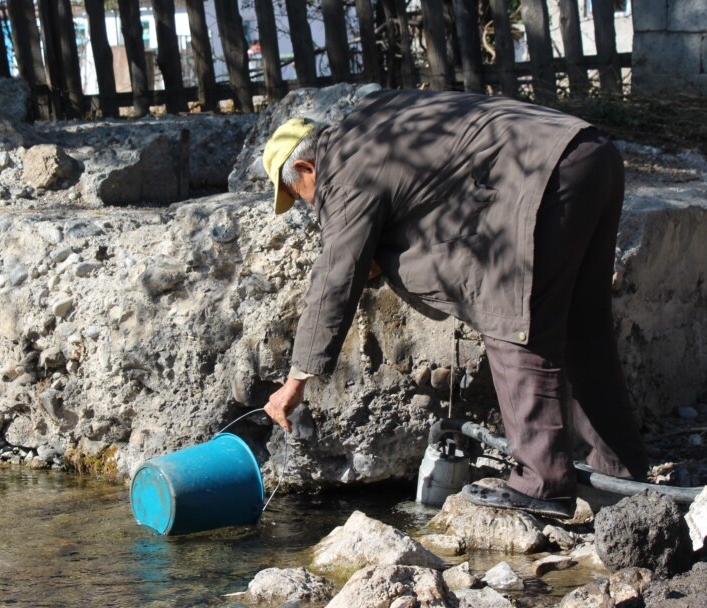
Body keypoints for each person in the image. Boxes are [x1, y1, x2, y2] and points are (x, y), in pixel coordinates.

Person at [260, 89, 648, 519]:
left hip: (542, 178)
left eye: (301, 196)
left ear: (305, 167)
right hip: (590, 153)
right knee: (583, 329)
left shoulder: (345, 169)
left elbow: (336, 274)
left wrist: (295, 381)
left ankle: (542, 483)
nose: (311, 207)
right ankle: (622, 480)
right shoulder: (376, 122)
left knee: (512, 317)